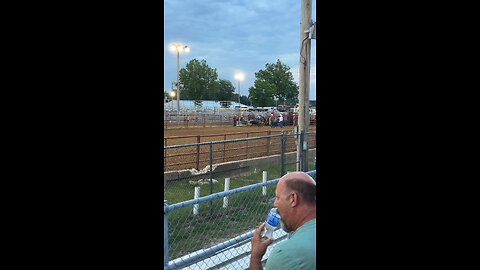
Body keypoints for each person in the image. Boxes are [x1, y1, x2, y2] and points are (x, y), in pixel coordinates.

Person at [250, 172, 316, 270]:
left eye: (277, 197)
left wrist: (255, 258)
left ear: (293, 199)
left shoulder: (286, 255)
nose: (275, 204)